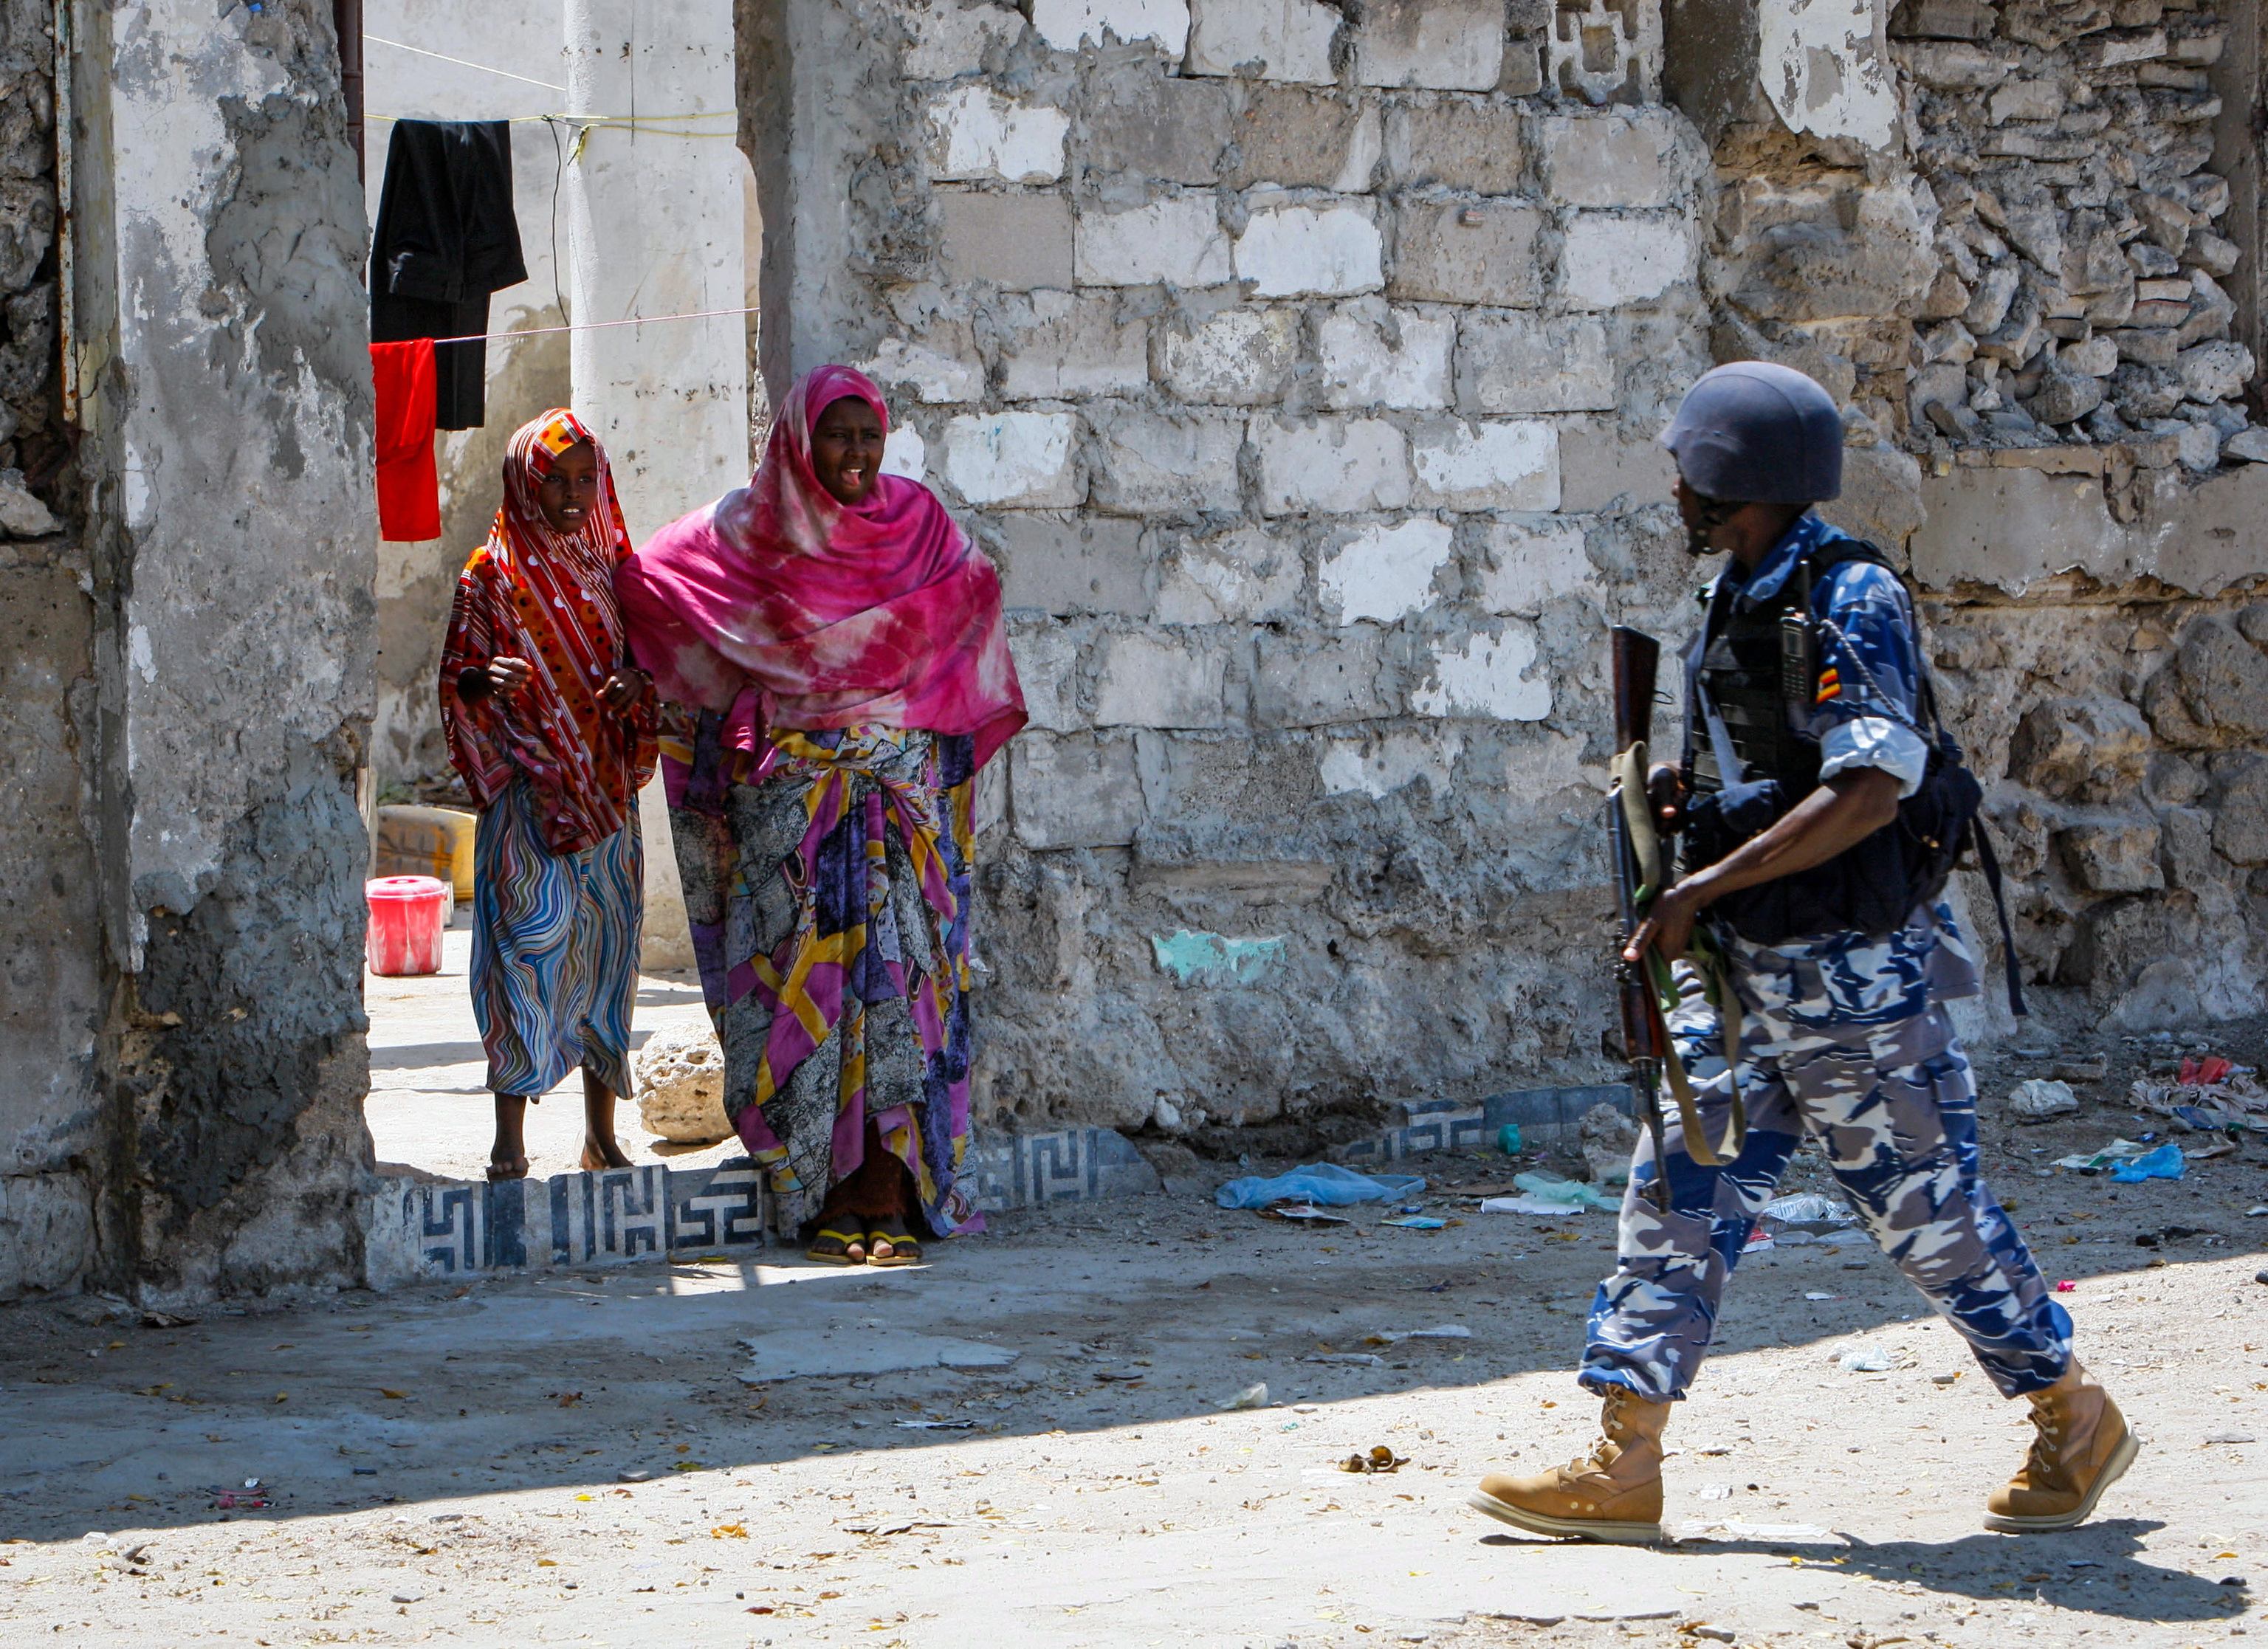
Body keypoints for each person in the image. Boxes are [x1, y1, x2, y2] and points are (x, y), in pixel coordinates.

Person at [1469, 362, 2133, 1543]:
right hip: (1751, 968)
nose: (1674, 485)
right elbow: (1786, 764)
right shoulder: (1742, 590)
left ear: (1732, 474)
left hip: (1851, 976)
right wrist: (1697, 804)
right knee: (1677, 1190)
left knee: (1929, 1214)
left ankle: (2070, 1410)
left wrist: (1704, 885)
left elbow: (1873, 785)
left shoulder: (1852, 592)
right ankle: (1623, 1459)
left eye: (1687, 466)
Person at [616, 365, 1025, 1266]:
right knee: (808, 996)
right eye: (837, 436)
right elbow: (649, 582)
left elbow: (972, 596)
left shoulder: (918, 526)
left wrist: (903, 708)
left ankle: (891, 1187)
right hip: (794, 813)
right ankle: (831, 1193)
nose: (855, 454)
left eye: (868, 436)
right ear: (800, 440)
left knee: (902, 987)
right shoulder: (751, 534)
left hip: (901, 802)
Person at [437, 409, 657, 1182]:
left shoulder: (611, 572)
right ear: (522, 486)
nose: (570, 496)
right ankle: (510, 1139)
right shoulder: (488, 576)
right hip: (529, 805)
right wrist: (481, 678)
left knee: (605, 956)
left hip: (604, 803)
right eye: (552, 481)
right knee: (522, 958)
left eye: (581, 480)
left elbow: (647, 666)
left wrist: (638, 686)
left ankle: (600, 1132)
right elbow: (454, 680)